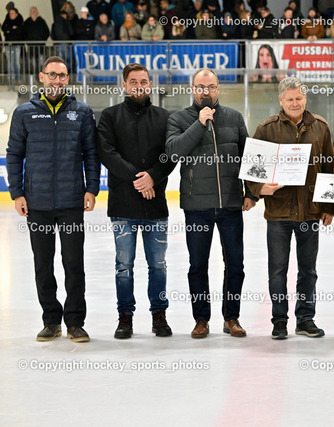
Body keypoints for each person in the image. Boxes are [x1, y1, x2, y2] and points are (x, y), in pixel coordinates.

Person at [6, 56, 100, 343]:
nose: (57, 80)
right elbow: (14, 154)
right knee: (42, 265)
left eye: (62, 76)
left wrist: (91, 189)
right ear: (41, 77)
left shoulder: (82, 112)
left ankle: (74, 322)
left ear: (67, 79)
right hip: (38, 204)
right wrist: (17, 193)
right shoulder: (24, 113)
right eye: (52, 75)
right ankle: (51, 320)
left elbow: (91, 154)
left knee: (74, 265)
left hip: (72, 202)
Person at [166, 69, 257, 339]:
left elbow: (248, 158)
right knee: (197, 265)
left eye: (211, 87)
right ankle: (201, 319)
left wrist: (251, 193)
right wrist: (200, 123)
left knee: (236, 264)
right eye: (200, 87)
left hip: (230, 205)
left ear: (219, 89)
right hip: (196, 207)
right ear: (192, 89)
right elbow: (173, 152)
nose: (206, 92)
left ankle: (232, 318)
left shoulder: (234, 118)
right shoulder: (179, 119)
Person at [246, 77, 334, 340]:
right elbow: (252, 169)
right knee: (277, 269)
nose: (295, 103)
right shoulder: (266, 129)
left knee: (308, 270)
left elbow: (329, 168)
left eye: (299, 98)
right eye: (290, 99)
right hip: (278, 214)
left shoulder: (321, 127)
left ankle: (305, 319)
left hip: (310, 212)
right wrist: (259, 189)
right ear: (281, 101)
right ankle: (279, 321)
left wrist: (329, 206)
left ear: (305, 99)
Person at [97, 63, 176, 339]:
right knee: (124, 265)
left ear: (150, 85)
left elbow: (170, 155)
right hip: (123, 206)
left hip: (155, 206)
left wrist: (152, 177)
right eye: (133, 82)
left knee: (158, 265)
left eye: (144, 81)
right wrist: (139, 180)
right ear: (124, 85)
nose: (139, 86)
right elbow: (107, 154)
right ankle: (125, 317)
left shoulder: (165, 117)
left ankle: (159, 315)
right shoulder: (109, 116)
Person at [23, 7, 50, 73]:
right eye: (32, 11)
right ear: (29, 13)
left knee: (42, 64)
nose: (33, 12)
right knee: (33, 64)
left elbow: (47, 32)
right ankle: (35, 77)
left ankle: (41, 77)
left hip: (40, 47)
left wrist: (42, 40)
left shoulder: (42, 21)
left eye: (34, 11)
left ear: (37, 12)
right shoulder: (26, 22)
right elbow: (23, 33)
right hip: (31, 47)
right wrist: (28, 42)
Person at [2, 6, 24, 82]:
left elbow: (19, 31)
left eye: (12, 13)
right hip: (8, 45)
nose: (10, 15)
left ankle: (17, 78)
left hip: (16, 45)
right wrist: (12, 30)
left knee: (17, 63)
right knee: (10, 63)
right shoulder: (7, 21)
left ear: (16, 14)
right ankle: (10, 79)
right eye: (10, 13)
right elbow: (4, 29)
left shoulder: (19, 21)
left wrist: (9, 31)